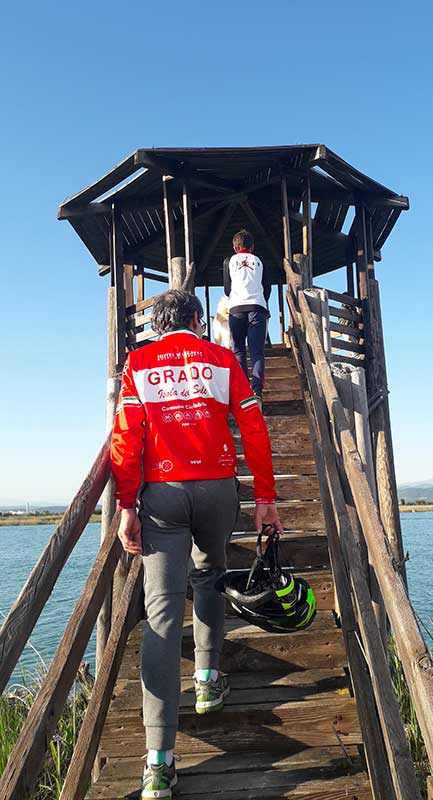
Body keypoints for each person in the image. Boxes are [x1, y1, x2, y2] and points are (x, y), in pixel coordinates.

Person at [110, 289, 282, 800]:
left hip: (161, 494)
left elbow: (125, 437)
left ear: (159, 326)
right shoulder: (223, 359)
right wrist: (266, 497)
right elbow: (254, 427)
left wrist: (126, 505)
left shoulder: (139, 364)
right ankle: (208, 680)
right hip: (218, 488)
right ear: (196, 320)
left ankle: (157, 763)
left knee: (161, 615)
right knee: (210, 575)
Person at [223, 229, 271, 407]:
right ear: (252, 246)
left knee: (238, 351)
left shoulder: (228, 261)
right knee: (257, 351)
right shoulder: (260, 261)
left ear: (235, 247)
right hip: (257, 307)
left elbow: (227, 289)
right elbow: (267, 287)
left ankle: (243, 390)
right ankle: (257, 390)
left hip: (236, 308)